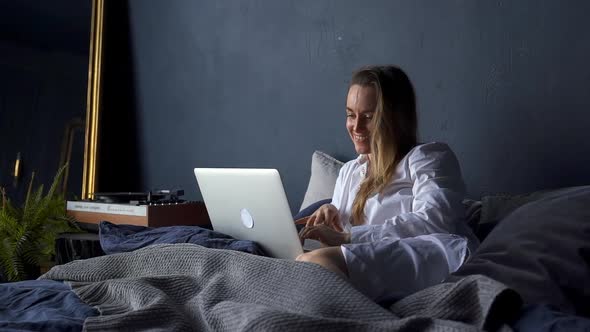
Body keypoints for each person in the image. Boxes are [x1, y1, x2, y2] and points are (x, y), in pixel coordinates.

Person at [296, 65, 479, 302]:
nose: (357, 127)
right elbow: (346, 242)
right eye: (351, 115)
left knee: (318, 262)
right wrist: (334, 217)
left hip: (432, 254)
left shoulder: (427, 157)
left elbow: (435, 219)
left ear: (395, 118)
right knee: (301, 262)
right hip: (373, 261)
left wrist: (348, 239)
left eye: (369, 117)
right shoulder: (350, 171)